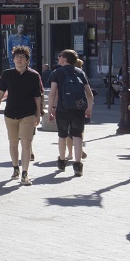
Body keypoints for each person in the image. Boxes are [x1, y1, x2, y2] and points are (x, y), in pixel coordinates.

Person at [0, 45, 44, 186]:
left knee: (26, 143)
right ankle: (15, 167)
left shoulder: (33, 76)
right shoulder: (7, 74)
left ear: (27, 60)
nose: (19, 59)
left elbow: (37, 97)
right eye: (17, 57)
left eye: (22, 57)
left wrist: (38, 114)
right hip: (10, 113)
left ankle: (25, 173)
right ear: (13, 59)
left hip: (28, 114)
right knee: (13, 142)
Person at [48, 48, 93, 177]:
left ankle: (61, 161)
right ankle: (78, 165)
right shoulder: (80, 72)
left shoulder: (57, 73)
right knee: (77, 135)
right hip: (79, 108)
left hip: (63, 108)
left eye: (60, 56)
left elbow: (52, 94)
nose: (58, 58)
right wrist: (89, 108)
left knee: (62, 135)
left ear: (65, 59)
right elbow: (89, 94)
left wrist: (50, 110)